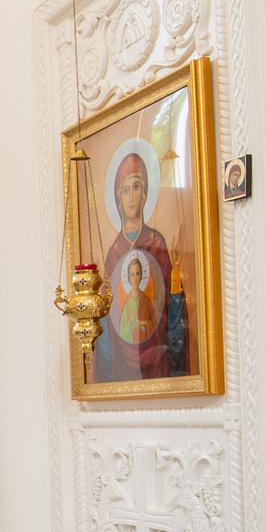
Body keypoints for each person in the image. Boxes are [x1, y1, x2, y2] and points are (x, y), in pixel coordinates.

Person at [97, 142, 187, 380]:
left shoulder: (156, 242)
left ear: (145, 193)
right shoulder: (114, 252)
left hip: (156, 356)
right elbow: (112, 317)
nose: (131, 198)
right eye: (125, 191)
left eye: (136, 187)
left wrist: (176, 278)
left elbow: (167, 306)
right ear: (118, 200)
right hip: (123, 362)